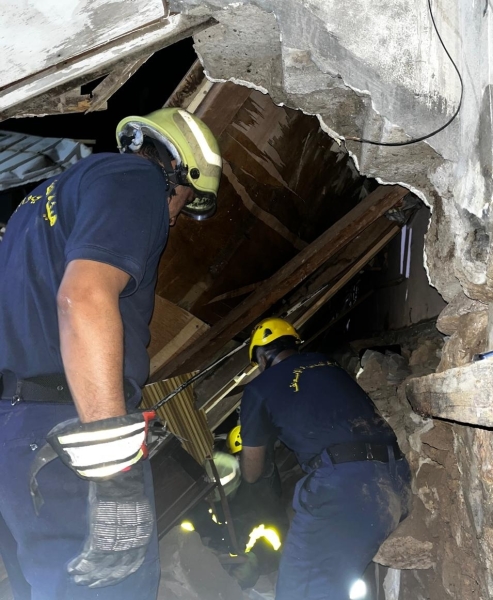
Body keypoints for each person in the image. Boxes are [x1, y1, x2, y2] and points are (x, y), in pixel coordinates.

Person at [0, 107, 222, 600]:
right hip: (70, 432)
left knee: (54, 583)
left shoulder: (33, 206)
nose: (174, 216)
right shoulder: (136, 179)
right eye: (184, 202)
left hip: (19, 433)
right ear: (178, 172)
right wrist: (114, 471)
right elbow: (84, 298)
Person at [239, 318, 411, 600]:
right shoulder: (327, 364)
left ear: (261, 356)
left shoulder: (258, 389)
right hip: (397, 478)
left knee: (298, 591)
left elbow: (252, 471)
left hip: (347, 489)